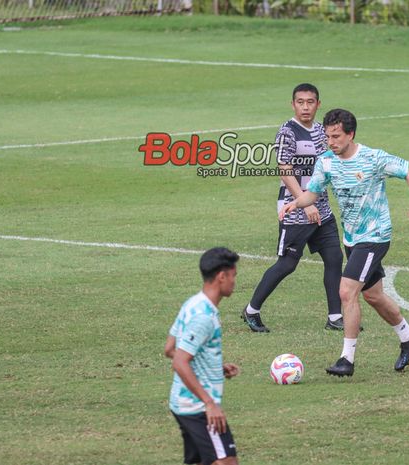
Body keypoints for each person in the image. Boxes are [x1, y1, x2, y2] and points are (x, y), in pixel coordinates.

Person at [279, 108, 409, 376]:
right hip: (352, 238)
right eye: (327, 137)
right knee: (373, 295)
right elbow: (312, 194)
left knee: (347, 292)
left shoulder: (372, 158)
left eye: (336, 136)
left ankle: (346, 360)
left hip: (375, 236)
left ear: (351, 134)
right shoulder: (326, 161)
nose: (331, 142)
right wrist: (294, 204)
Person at [241, 83, 345, 333]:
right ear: (293, 104)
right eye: (300, 102)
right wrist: (303, 202)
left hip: (322, 207)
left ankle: (335, 316)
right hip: (295, 208)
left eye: (310, 102)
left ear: (318, 104)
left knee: (334, 257)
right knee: (287, 263)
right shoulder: (287, 132)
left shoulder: (322, 131)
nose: (305, 107)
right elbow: (285, 169)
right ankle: (251, 311)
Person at [164, 247, 241, 465]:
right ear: (221, 276)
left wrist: (213, 366)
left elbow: (170, 348)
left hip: (182, 404)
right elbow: (179, 361)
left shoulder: (192, 304)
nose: (235, 282)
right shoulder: (204, 316)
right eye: (234, 276)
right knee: (227, 461)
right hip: (198, 408)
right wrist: (209, 403)